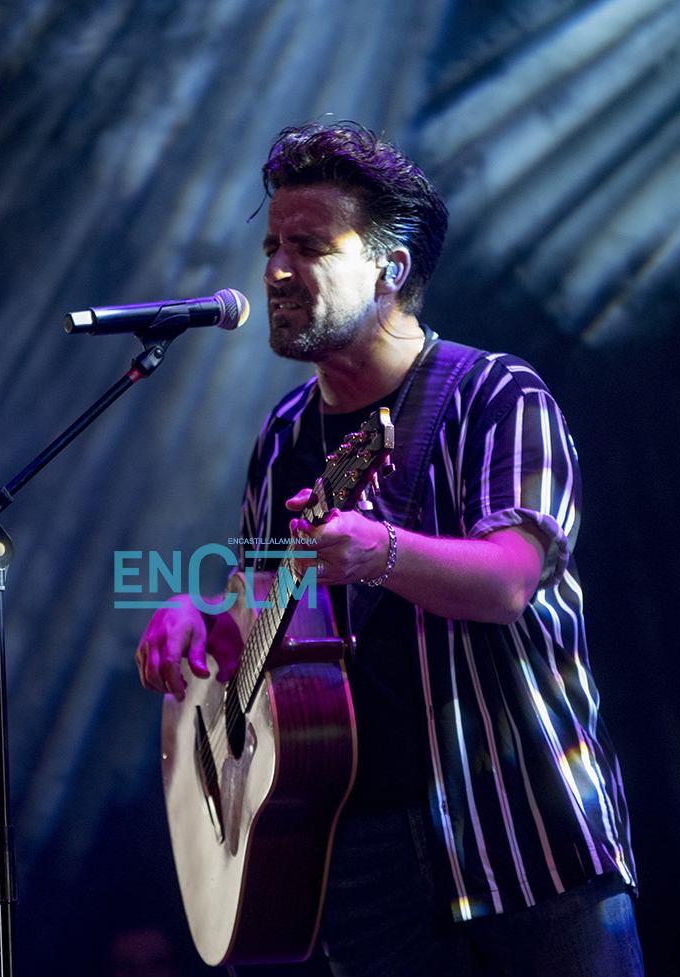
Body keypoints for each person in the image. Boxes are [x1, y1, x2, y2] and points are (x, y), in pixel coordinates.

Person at [135, 121, 641, 977]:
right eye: (270, 246)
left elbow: (509, 579)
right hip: (356, 860)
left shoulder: (494, 395)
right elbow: (265, 617)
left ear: (389, 268)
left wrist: (382, 552)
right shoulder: (282, 438)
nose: (276, 269)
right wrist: (200, 620)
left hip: (523, 836)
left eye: (308, 246)